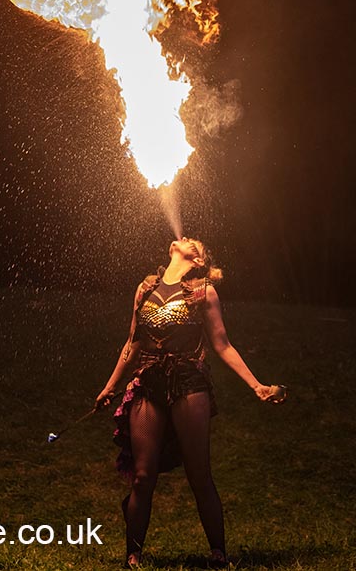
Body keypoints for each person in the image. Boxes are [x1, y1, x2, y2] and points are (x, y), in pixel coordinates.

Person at [94, 237, 284, 568]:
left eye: (191, 241)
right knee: (142, 476)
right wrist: (110, 387)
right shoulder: (145, 288)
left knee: (199, 474)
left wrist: (256, 385)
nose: (183, 239)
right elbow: (132, 343)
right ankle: (133, 556)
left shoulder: (203, 292)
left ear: (197, 261)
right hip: (148, 383)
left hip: (189, 384)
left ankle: (218, 553)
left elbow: (222, 345)